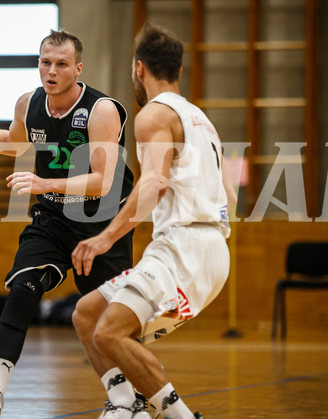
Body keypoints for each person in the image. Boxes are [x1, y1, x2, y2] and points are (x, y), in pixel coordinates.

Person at [0, 29, 135, 419]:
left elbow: (103, 180)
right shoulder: (28, 103)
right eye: (45, 62)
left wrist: (43, 182)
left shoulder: (101, 110)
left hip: (101, 220)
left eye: (61, 64)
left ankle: (128, 398)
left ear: (77, 69)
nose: (51, 71)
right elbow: (12, 142)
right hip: (52, 215)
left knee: (107, 320)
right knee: (23, 287)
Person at [71, 23, 238, 419]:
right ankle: (127, 406)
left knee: (110, 333)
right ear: (178, 71)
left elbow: (154, 185)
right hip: (212, 249)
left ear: (138, 67)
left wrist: (105, 237)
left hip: (183, 246)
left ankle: (180, 417)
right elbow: (231, 197)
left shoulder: (152, 116)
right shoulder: (203, 122)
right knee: (87, 314)